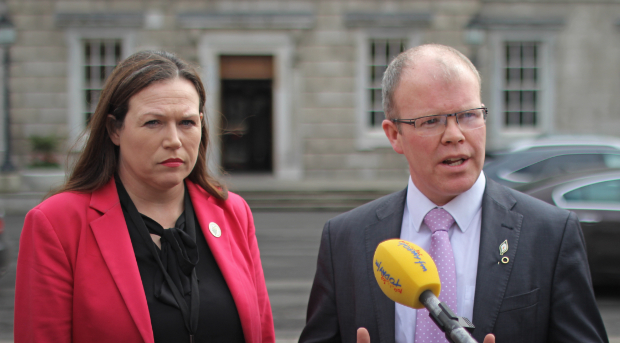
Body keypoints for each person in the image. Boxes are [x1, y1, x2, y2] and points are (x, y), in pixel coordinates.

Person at [298, 44, 608, 343]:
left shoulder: (550, 234)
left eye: (469, 115)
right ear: (395, 135)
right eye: (431, 121)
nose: (455, 135)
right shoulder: (345, 239)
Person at [14, 50, 275, 343]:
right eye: (154, 122)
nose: (174, 141)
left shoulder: (232, 212)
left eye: (187, 123)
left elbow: (262, 333)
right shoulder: (57, 223)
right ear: (114, 129)